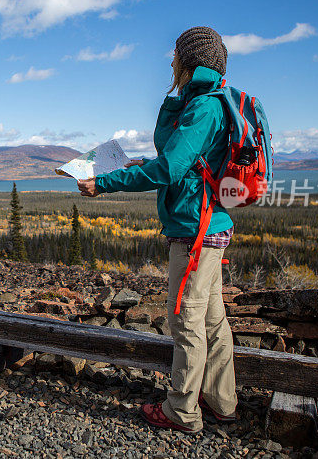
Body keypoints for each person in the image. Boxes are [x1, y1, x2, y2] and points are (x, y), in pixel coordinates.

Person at [78, 26, 237, 433]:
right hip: (205, 227)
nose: (170, 62)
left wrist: (105, 183)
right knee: (212, 321)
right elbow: (177, 162)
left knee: (185, 321)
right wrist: (135, 167)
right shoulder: (206, 102)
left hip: (194, 233)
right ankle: (221, 401)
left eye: (175, 56)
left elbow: (169, 169)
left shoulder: (203, 108)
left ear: (190, 61)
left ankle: (182, 411)